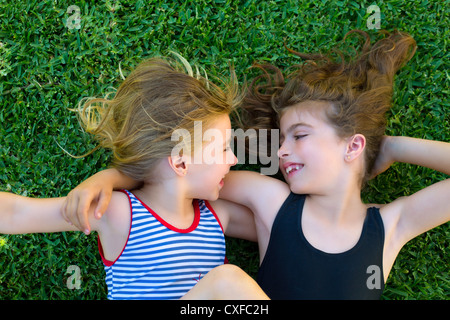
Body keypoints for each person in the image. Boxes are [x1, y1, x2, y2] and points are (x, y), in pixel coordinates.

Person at [63, 30, 449, 299]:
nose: (281, 151)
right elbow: (174, 175)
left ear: (353, 145)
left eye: (298, 136)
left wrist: (393, 147)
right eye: (281, 140)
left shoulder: (390, 226)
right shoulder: (271, 202)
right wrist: (109, 175)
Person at [0, 55, 269, 300]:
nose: (233, 159)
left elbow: (280, 228)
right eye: (222, 148)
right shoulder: (120, 213)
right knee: (227, 281)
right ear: (181, 162)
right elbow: (17, 213)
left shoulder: (217, 215)